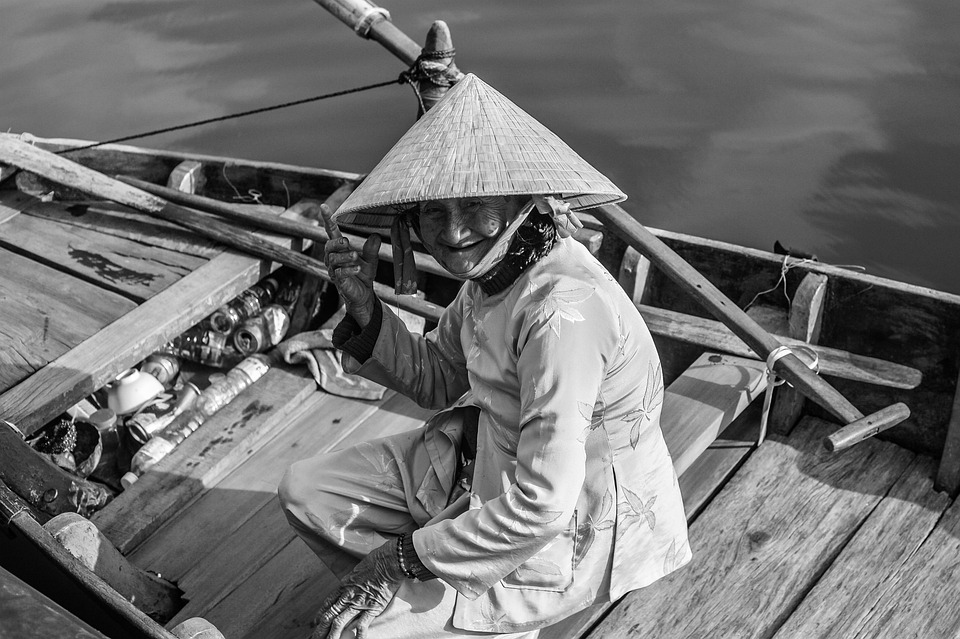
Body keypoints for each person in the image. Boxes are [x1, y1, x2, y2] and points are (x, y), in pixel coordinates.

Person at [278, 73, 691, 639]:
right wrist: (365, 310)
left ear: (524, 202)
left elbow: (544, 505)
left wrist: (396, 559)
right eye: (432, 212)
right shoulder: (491, 278)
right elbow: (440, 378)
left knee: (359, 633)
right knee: (306, 491)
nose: (452, 232)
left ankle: (468, 612)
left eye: (475, 204)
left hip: (573, 524)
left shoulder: (559, 313)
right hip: (487, 461)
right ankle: (432, 592)